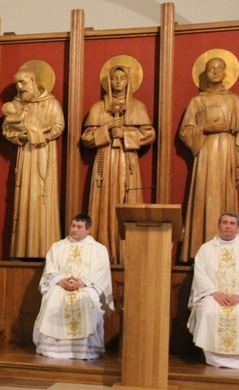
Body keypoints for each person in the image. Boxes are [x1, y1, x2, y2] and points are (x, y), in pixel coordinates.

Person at [82, 64, 155, 265]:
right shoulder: (98, 108)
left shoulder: (137, 107)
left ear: (128, 81)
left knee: (126, 198)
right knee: (103, 202)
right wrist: (105, 130)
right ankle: (102, 250)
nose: (117, 82)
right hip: (105, 160)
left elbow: (149, 134)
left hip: (127, 160)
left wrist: (126, 133)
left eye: (122, 78)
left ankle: (127, 252)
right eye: (114, 78)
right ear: (108, 82)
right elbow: (87, 138)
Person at [179, 56, 239, 262]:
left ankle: (226, 248)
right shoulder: (197, 101)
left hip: (226, 153)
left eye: (220, 68)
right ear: (205, 73)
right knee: (202, 195)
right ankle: (198, 250)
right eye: (211, 68)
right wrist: (205, 128)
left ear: (226, 73)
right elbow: (186, 131)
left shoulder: (233, 99)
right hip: (205, 153)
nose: (215, 71)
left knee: (223, 196)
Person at [1, 60, 65, 259]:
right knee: (25, 198)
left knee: (43, 198)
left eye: (23, 82)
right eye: (18, 83)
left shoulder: (51, 103)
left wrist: (42, 134)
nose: (20, 87)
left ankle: (46, 248)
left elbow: (58, 125)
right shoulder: (17, 105)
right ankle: (22, 250)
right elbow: (6, 129)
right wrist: (21, 136)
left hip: (44, 154)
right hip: (25, 154)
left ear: (34, 81)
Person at [188, 212, 239, 369]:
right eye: (225, 222)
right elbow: (200, 273)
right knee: (208, 311)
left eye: (232, 223)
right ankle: (212, 357)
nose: (228, 226)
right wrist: (214, 293)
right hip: (213, 295)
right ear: (218, 226)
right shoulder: (206, 249)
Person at [33, 213, 114, 360]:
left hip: (86, 286)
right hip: (60, 285)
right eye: (73, 226)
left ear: (88, 230)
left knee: (88, 298)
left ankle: (85, 350)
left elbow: (102, 273)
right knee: (52, 296)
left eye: (79, 227)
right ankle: (54, 349)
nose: (75, 230)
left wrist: (83, 282)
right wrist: (59, 281)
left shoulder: (99, 249)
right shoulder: (57, 247)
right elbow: (50, 269)